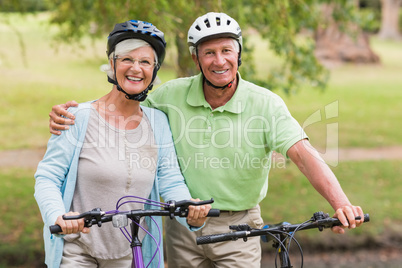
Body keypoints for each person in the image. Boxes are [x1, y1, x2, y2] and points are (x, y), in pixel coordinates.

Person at [48, 12, 364, 268]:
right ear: (196, 58)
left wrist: (341, 204)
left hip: (240, 225)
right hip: (182, 225)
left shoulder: (265, 104)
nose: (219, 61)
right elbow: (123, 104)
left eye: (226, 50)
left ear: (239, 54)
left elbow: (303, 155)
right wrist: (76, 114)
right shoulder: (171, 96)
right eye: (209, 53)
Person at [35, 20, 211, 268]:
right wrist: (58, 215)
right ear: (112, 64)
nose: (136, 69)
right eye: (127, 59)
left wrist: (189, 210)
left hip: (129, 250)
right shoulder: (78, 117)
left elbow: (170, 178)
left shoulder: (158, 123)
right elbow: (47, 176)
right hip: (77, 248)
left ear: (155, 70)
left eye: (145, 62)